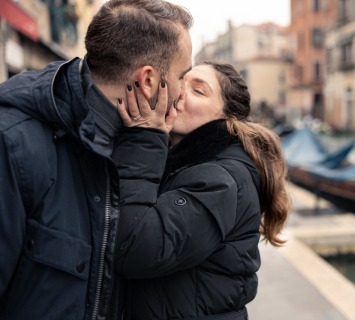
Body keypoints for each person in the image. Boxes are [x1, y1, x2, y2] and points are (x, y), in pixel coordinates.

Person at [0, 0, 193, 318]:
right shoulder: (14, 143)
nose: (183, 90)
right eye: (182, 76)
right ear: (147, 81)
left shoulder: (138, 143)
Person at [111, 61, 291, 320]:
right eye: (181, 81)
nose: (180, 91)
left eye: (198, 91)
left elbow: (137, 250)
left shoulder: (220, 180)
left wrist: (143, 139)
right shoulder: (182, 163)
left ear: (226, 117)